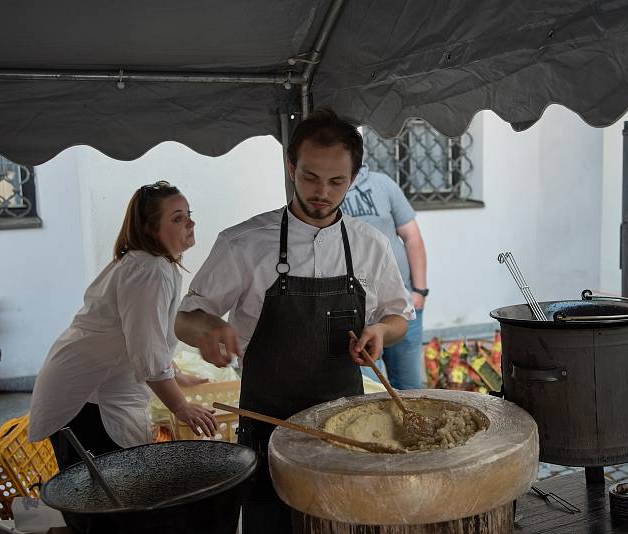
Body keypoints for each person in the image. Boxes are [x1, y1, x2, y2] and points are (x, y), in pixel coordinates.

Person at [174, 109, 414, 533]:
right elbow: (185, 318)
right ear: (291, 167)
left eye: (336, 181)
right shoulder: (243, 243)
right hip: (269, 429)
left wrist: (380, 331)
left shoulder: (370, 244)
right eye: (310, 177)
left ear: (354, 178)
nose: (322, 192)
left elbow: (398, 317)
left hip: (346, 433)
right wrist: (208, 329)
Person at [29, 181, 217, 470]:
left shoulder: (154, 265)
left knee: (118, 492)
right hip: (86, 402)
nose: (191, 223)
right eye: (178, 218)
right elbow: (145, 347)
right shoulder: (149, 270)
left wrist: (176, 375)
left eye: (188, 214)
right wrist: (181, 406)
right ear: (151, 229)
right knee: (105, 498)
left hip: (94, 394)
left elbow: (142, 336)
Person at [341, 164, 428, 389]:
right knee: (370, 392)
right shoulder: (328, 195)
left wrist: (420, 291)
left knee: (411, 390)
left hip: (403, 305)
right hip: (358, 313)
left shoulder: (383, 183)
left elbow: (411, 236)